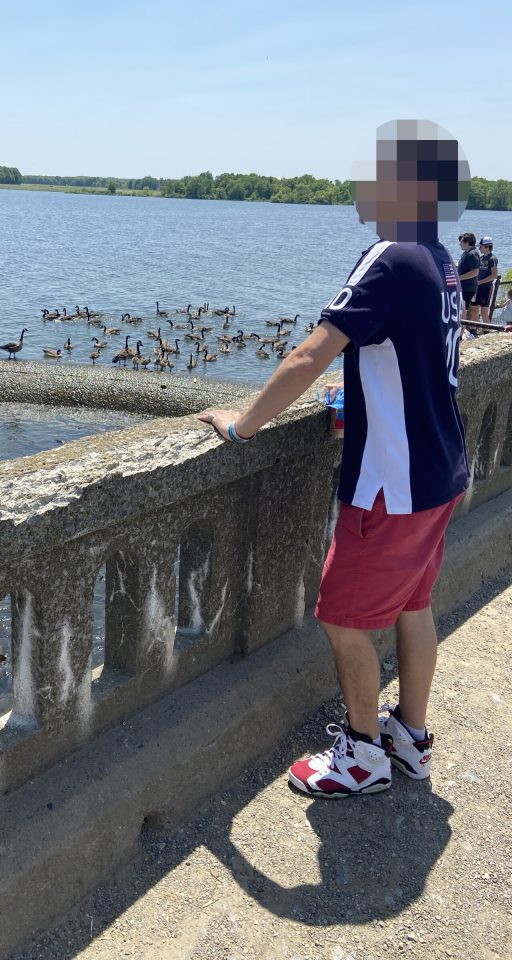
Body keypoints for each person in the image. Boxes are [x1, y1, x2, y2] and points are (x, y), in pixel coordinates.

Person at [198, 119, 470, 798]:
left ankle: (361, 757)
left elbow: (307, 354)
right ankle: (411, 739)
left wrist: (244, 426)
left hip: (393, 485)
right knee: (414, 605)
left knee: (343, 619)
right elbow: (416, 365)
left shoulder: (390, 254)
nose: (363, 182)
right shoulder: (439, 261)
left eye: (376, 172)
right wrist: (355, 401)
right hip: (440, 474)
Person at [472, 236, 499, 325]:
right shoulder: (481, 258)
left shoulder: (492, 258)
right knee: (474, 308)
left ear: (487, 246)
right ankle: (473, 330)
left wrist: (480, 282)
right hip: (477, 288)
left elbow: (494, 275)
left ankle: (487, 330)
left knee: (484, 311)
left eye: (481, 246)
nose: (479, 248)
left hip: (486, 288)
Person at [457, 232, 481, 319]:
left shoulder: (472, 254)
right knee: (462, 308)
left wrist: (458, 278)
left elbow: (475, 271)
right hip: (464, 286)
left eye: (462, 242)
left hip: (467, 287)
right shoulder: (467, 253)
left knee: (463, 309)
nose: (460, 244)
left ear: (467, 242)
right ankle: (462, 328)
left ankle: (462, 329)